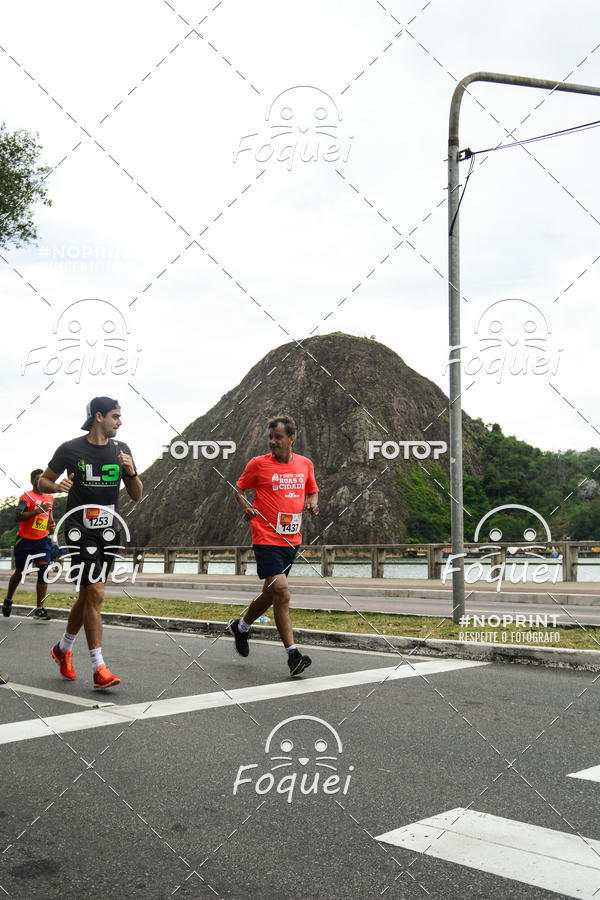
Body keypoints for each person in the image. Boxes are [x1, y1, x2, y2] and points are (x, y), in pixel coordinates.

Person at [38, 397, 143, 689]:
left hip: (107, 532)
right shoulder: (71, 449)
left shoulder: (122, 451)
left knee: (87, 596)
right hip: (78, 530)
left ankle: (62, 649)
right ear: (99, 416)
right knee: (96, 592)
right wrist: (57, 486)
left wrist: (130, 470)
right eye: (115, 416)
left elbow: (136, 495)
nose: (119, 422)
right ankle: (99, 668)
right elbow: (42, 482)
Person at [228, 415, 319, 676]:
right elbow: (239, 490)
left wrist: (313, 503)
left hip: (291, 540)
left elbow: (312, 490)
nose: (272, 442)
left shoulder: (305, 464)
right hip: (265, 536)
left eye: (278, 437)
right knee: (282, 592)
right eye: (270, 437)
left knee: (270, 594)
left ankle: (242, 627)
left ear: (291, 438)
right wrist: (246, 508)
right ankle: (293, 655)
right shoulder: (258, 464)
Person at [2, 469, 55, 620]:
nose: (41, 482)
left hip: (42, 540)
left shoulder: (50, 497)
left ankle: (40, 608)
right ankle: (8, 599)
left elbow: (49, 514)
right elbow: (18, 516)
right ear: (32, 481)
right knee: (19, 572)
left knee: (44, 569)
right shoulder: (26, 497)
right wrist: (37, 511)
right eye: (38, 479)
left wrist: (51, 523)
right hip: (25, 540)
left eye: (43, 479)